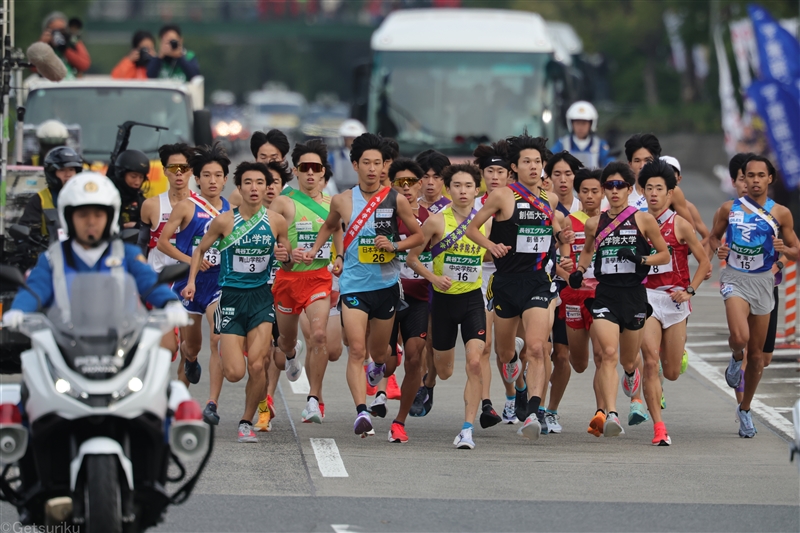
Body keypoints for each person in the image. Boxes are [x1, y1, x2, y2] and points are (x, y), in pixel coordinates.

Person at [304, 133, 423, 437]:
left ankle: (378, 368)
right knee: (356, 350)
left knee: (379, 354)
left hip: (385, 285)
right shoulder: (342, 200)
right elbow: (330, 226)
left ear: (385, 166)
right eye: (366, 163)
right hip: (354, 286)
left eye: (378, 163)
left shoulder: (395, 198)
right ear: (355, 164)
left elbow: (418, 236)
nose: (372, 169)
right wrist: (315, 251)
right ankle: (361, 411)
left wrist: (395, 245)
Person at [466, 133, 571, 440]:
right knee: (503, 353)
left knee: (539, 347)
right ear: (515, 167)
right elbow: (472, 229)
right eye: (527, 162)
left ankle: (534, 411)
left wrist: (564, 246)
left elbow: (558, 230)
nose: (534, 167)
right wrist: (491, 245)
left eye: (538, 162)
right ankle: (519, 385)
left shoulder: (550, 199)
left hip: (539, 281)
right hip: (506, 283)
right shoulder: (502, 196)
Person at [185, 161, 290, 443]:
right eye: (248, 183)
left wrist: (286, 258)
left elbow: (287, 259)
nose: (254, 188)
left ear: (267, 188)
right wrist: (192, 281)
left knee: (258, 365)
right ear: (239, 187)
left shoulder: (276, 221)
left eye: (259, 183)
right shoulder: (224, 221)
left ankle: (246, 420)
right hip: (230, 298)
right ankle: (227, 353)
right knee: (234, 373)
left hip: (260, 299)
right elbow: (200, 249)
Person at [569, 162, 670, 438]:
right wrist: (579, 271)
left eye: (619, 186)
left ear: (629, 189)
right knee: (608, 354)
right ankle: (611, 412)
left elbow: (664, 255)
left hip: (634, 295)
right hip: (606, 293)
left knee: (628, 360)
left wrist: (640, 259)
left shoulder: (643, 219)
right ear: (603, 191)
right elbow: (587, 251)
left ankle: (630, 376)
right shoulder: (594, 223)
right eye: (609, 186)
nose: (614, 191)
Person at [5, 172, 186, 326]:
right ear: (68, 218)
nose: (91, 222)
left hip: (120, 340)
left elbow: (148, 282)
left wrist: (169, 302)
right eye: (83, 215)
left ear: (110, 217)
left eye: (98, 215)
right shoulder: (53, 257)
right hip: (66, 343)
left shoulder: (126, 254)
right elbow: (36, 289)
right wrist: (19, 310)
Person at [709, 155, 799, 438]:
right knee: (740, 338)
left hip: (763, 282)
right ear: (743, 179)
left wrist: (782, 253)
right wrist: (718, 251)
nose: (756, 180)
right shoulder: (728, 209)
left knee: (758, 357)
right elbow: (713, 237)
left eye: (761, 175)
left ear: (770, 179)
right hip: (735, 279)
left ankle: (745, 410)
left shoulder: (781, 213)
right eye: (751, 175)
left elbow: (796, 250)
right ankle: (736, 358)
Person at [407, 164, 488, 449]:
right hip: (442, 301)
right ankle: (429, 383)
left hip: (473, 300)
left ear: (477, 190)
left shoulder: (485, 221)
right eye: (456, 185)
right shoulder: (435, 222)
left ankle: (467, 429)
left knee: (475, 362)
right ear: (448, 189)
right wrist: (432, 277)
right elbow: (412, 259)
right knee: (444, 371)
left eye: (468, 186)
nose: (462, 191)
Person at [157, 143, 231, 425]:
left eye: (218, 175)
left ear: (225, 179)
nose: (212, 181)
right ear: (197, 179)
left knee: (217, 338)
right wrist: (191, 260)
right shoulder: (187, 206)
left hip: (219, 286)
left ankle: (211, 404)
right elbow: (164, 243)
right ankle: (188, 364)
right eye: (206, 175)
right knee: (191, 347)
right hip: (189, 287)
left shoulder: (232, 210)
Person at [638, 159, 710, 446]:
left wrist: (689, 291)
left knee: (670, 371)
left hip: (675, 299)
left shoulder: (680, 225)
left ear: (670, 194)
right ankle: (658, 427)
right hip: (646, 299)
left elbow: (704, 263)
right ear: (642, 191)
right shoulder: (636, 221)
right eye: (649, 188)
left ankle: (678, 357)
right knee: (650, 362)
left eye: (660, 189)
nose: (654, 194)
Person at [270, 140, 343, 424]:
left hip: (318, 278)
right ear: (295, 171)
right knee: (285, 341)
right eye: (305, 168)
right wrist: (286, 253)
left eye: (316, 168)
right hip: (288, 279)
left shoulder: (333, 204)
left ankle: (314, 399)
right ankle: (291, 354)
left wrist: (340, 257)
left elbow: (337, 230)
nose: (311, 173)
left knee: (319, 335)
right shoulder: (283, 201)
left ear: (324, 172)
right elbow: (275, 241)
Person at [468, 140, 526, 426]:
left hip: (506, 277)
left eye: (499, 172)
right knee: (484, 346)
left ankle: (512, 396)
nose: (493, 176)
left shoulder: (520, 201)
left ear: (509, 176)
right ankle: (487, 404)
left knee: (506, 352)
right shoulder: (472, 204)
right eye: (488, 171)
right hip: (475, 277)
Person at [377, 158, 431, 442]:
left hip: (419, 297)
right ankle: (380, 375)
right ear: (391, 185)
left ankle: (399, 422)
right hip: (385, 293)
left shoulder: (432, 219)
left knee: (414, 355)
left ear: (420, 185)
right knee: (385, 359)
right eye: (400, 183)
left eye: (412, 182)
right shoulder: (382, 214)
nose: (407, 188)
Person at [558, 168, 607, 435]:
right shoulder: (569, 222)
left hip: (602, 296)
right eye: (585, 191)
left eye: (595, 191)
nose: (590, 196)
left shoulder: (612, 221)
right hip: (576, 296)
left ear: (603, 193)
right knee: (579, 363)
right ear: (578, 193)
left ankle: (601, 413)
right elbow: (563, 261)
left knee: (603, 356)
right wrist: (569, 273)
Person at [541, 150, 585, 433]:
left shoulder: (587, 206)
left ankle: (552, 411)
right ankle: (535, 405)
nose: (563, 179)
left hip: (576, 290)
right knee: (541, 350)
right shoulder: (542, 206)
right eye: (556, 174)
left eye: (568, 174)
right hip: (546, 286)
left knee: (563, 355)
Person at [18, 146, 83, 244]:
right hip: (49, 253)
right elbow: (27, 230)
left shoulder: (87, 197)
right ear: (52, 173)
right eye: (62, 170)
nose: (68, 174)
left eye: (71, 169)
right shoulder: (39, 199)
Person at [229, 129, 291, 207]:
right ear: (256, 159)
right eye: (263, 157)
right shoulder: (240, 195)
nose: (268, 162)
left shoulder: (292, 197)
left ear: (283, 159)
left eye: (274, 157)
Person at [551, 101, 614, 169]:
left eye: (584, 123)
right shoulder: (562, 144)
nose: (580, 127)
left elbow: (610, 165)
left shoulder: (600, 145)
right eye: (577, 123)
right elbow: (550, 161)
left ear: (591, 124)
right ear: (571, 124)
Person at [39, 11, 91, 79]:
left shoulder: (73, 42)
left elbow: (84, 65)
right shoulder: (44, 43)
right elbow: (33, 67)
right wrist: (42, 44)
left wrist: (65, 50)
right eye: (54, 31)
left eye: (61, 30)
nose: (58, 35)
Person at [110, 149, 150, 230]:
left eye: (141, 177)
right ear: (122, 175)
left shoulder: (141, 200)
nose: (137, 182)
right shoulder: (108, 197)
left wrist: (137, 225)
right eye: (133, 176)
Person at [329, 119, 366, 189]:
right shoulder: (333, 157)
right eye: (349, 138)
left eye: (354, 138)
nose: (351, 141)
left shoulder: (367, 157)